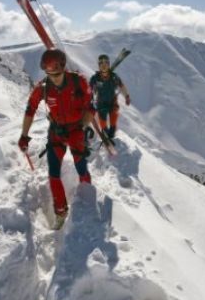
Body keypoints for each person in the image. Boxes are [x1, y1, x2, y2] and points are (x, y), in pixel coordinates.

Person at [18, 49, 95, 228]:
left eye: (58, 74)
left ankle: (87, 201)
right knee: (53, 172)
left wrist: (83, 126)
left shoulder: (79, 82)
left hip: (76, 130)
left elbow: (92, 106)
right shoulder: (43, 88)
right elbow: (30, 110)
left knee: (81, 167)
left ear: (63, 68)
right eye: (50, 74)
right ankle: (60, 212)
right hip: (57, 132)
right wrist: (24, 135)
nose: (55, 78)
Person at [89, 54, 131, 140]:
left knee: (114, 117)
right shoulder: (95, 78)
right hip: (101, 103)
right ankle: (105, 132)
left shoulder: (114, 77)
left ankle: (111, 134)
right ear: (99, 66)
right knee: (103, 121)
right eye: (101, 64)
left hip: (112, 102)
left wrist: (127, 96)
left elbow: (121, 86)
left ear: (108, 64)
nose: (104, 66)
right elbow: (89, 90)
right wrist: (89, 99)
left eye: (106, 63)